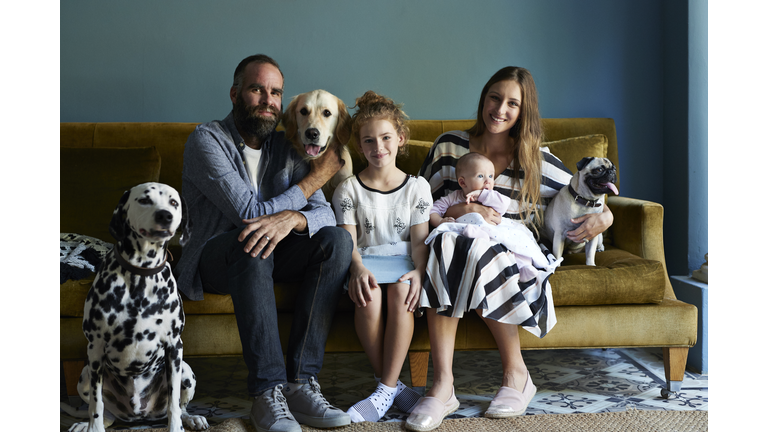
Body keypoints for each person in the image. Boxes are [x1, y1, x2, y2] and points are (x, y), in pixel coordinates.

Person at [406, 67, 613, 431]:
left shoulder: (536, 159)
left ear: (523, 111)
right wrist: (461, 213)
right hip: (452, 247)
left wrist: (606, 218)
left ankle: (516, 375)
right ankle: (442, 386)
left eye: (512, 103)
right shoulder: (449, 146)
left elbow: (586, 191)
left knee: (482, 249)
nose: (500, 109)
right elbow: (420, 205)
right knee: (453, 241)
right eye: (494, 98)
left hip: (510, 255)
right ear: (483, 98)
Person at [175, 54, 353, 432]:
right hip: (214, 256)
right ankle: (267, 393)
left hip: (269, 253)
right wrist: (310, 184)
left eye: (276, 92)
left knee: (337, 241)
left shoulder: (287, 146)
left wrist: (297, 217)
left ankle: (301, 384)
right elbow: (250, 213)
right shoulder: (206, 139)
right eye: (257, 89)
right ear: (236, 94)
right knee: (252, 242)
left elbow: (324, 214)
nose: (268, 99)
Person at [331, 91, 432, 423]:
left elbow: (419, 242)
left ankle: (384, 390)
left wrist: (419, 271)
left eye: (386, 138)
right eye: (369, 141)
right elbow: (348, 241)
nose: (378, 147)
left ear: (400, 139)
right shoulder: (348, 190)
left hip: (403, 262)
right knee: (369, 295)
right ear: (359, 147)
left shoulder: (417, 188)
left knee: (403, 289)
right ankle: (394, 389)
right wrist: (357, 268)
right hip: (367, 261)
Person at [427, 152, 553, 269]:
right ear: (463, 182)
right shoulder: (454, 197)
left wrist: (482, 195)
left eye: (491, 176)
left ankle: (524, 267)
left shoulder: (491, 196)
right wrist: (441, 221)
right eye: (480, 176)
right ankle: (478, 238)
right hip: (468, 237)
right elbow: (433, 211)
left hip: (493, 234)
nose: (488, 181)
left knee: (515, 242)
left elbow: (503, 206)